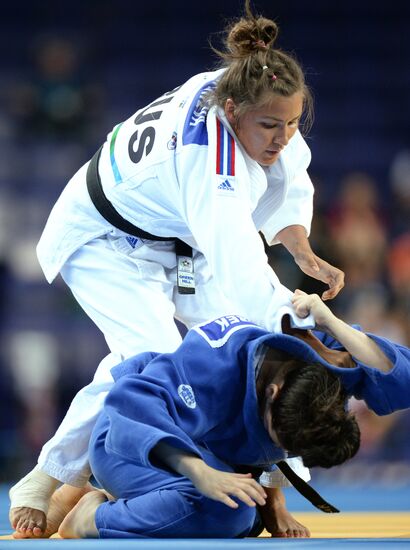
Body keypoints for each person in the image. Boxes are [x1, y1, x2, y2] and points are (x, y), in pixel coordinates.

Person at [9, 0, 345, 537]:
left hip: (178, 240)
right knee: (151, 359)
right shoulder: (210, 163)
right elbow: (241, 267)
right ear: (232, 112)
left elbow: (290, 179)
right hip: (105, 237)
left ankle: (274, 494)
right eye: (270, 127)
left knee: (257, 352)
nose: (281, 137)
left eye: (291, 123)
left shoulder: (259, 93)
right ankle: (48, 477)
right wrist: (302, 323)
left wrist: (301, 252)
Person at [38, 290, 409, 539]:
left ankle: (118, 500)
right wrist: (200, 473)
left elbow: (404, 382)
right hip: (131, 442)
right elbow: (129, 406)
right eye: (278, 437)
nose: (279, 451)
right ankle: (90, 516)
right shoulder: (215, 364)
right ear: (273, 392)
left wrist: (332, 323)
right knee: (224, 513)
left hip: (212, 451)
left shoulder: (321, 363)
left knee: (242, 517)